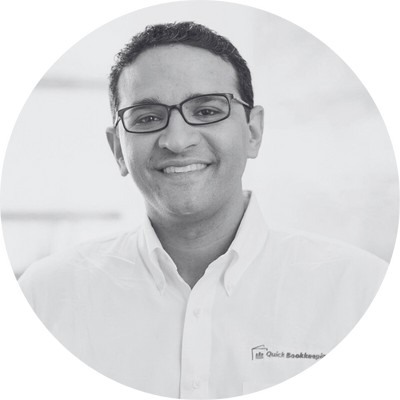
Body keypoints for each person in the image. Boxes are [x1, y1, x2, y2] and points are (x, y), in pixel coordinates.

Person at [17, 21, 390, 399]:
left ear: (253, 131)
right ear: (118, 149)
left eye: (207, 110)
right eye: (147, 118)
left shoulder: (359, 292)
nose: (177, 141)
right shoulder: (46, 298)